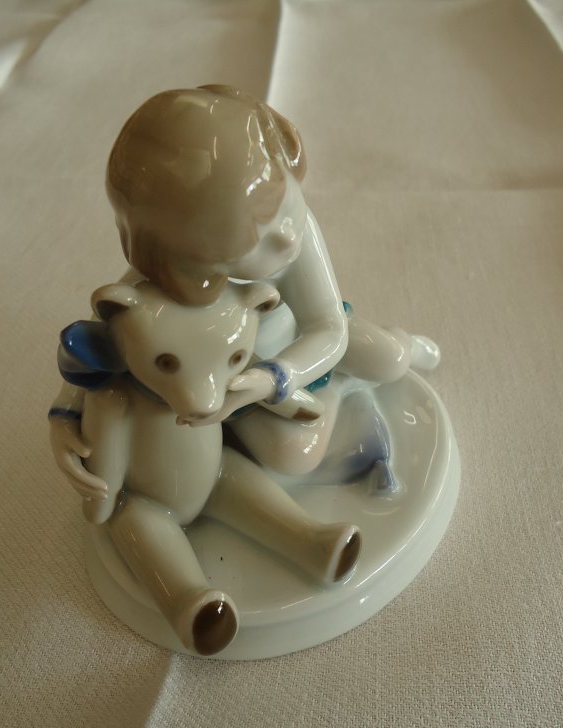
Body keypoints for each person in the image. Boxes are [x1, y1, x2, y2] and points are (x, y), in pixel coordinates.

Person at [50, 85, 438, 495]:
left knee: (391, 358)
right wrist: (64, 415)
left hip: (298, 344)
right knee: (292, 455)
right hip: (235, 377)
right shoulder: (161, 284)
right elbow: (99, 344)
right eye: (255, 243)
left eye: (288, 206)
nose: (287, 237)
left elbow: (327, 327)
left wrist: (278, 377)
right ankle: (342, 388)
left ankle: (397, 349)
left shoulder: (295, 235)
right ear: (187, 261)